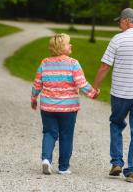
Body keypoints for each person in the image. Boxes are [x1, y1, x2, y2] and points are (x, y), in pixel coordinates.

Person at [93, 8, 133, 183]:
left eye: (119, 21)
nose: (119, 24)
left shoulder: (118, 39)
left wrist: (95, 87)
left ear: (126, 21)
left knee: (116, 124)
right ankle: (132, 172)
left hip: (120, 94)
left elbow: (104, 66)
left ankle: (117, 162)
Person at [31, 33, 99, 175]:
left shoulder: (45, 63)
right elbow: (81, 83)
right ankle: (63, 167)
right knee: (66, 135)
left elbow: (37, 84)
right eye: (69, 43)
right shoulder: (73, 63)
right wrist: (93, 93)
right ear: (62, 47)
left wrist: (33, 98)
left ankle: (46, 159)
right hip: (68, 108)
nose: (71, 45)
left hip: (48, 107)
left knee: (49, 133)